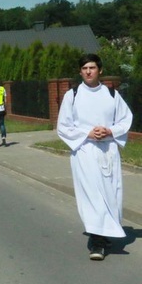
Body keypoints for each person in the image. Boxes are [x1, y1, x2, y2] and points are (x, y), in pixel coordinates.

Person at [57, 54, 133, 261]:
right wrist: (87, 134)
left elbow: (125, 119)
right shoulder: (72, 95)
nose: (88, 71)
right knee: (92, 195)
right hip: (84, 151)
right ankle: (97, 242)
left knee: (111, 194)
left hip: (108, 151)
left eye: (92, 67)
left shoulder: (111, 94)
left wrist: (109, 131)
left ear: (99, 70)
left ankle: (105, 232)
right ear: (80, 71)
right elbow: (63, 126)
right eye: (84, 68)